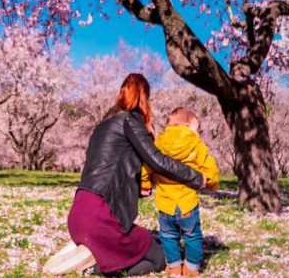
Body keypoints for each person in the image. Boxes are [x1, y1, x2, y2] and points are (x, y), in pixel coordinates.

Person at [67, 74, 207, 276]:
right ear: (144, 99)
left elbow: (112, 169)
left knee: (132, 246)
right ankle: (96, 268)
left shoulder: (101, 127)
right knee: (158, 258)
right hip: (101, 217)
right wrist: (195, 177)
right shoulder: (129, 120)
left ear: (119, 93)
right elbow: (157, 161)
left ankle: (98, 257)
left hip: (78, 216)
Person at [140, 107, 220, 276]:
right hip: (187, 203)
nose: (197, 133)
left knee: (168, 236)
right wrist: (211, 184)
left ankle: (174, 266)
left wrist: (145, 184)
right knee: (192, 236)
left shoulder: (158, 143)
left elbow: (147, 165)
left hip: (165, 203)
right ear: (189, 126)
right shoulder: (196, 144)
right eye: (196, 129)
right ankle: (191, 268)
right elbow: (209, 167)